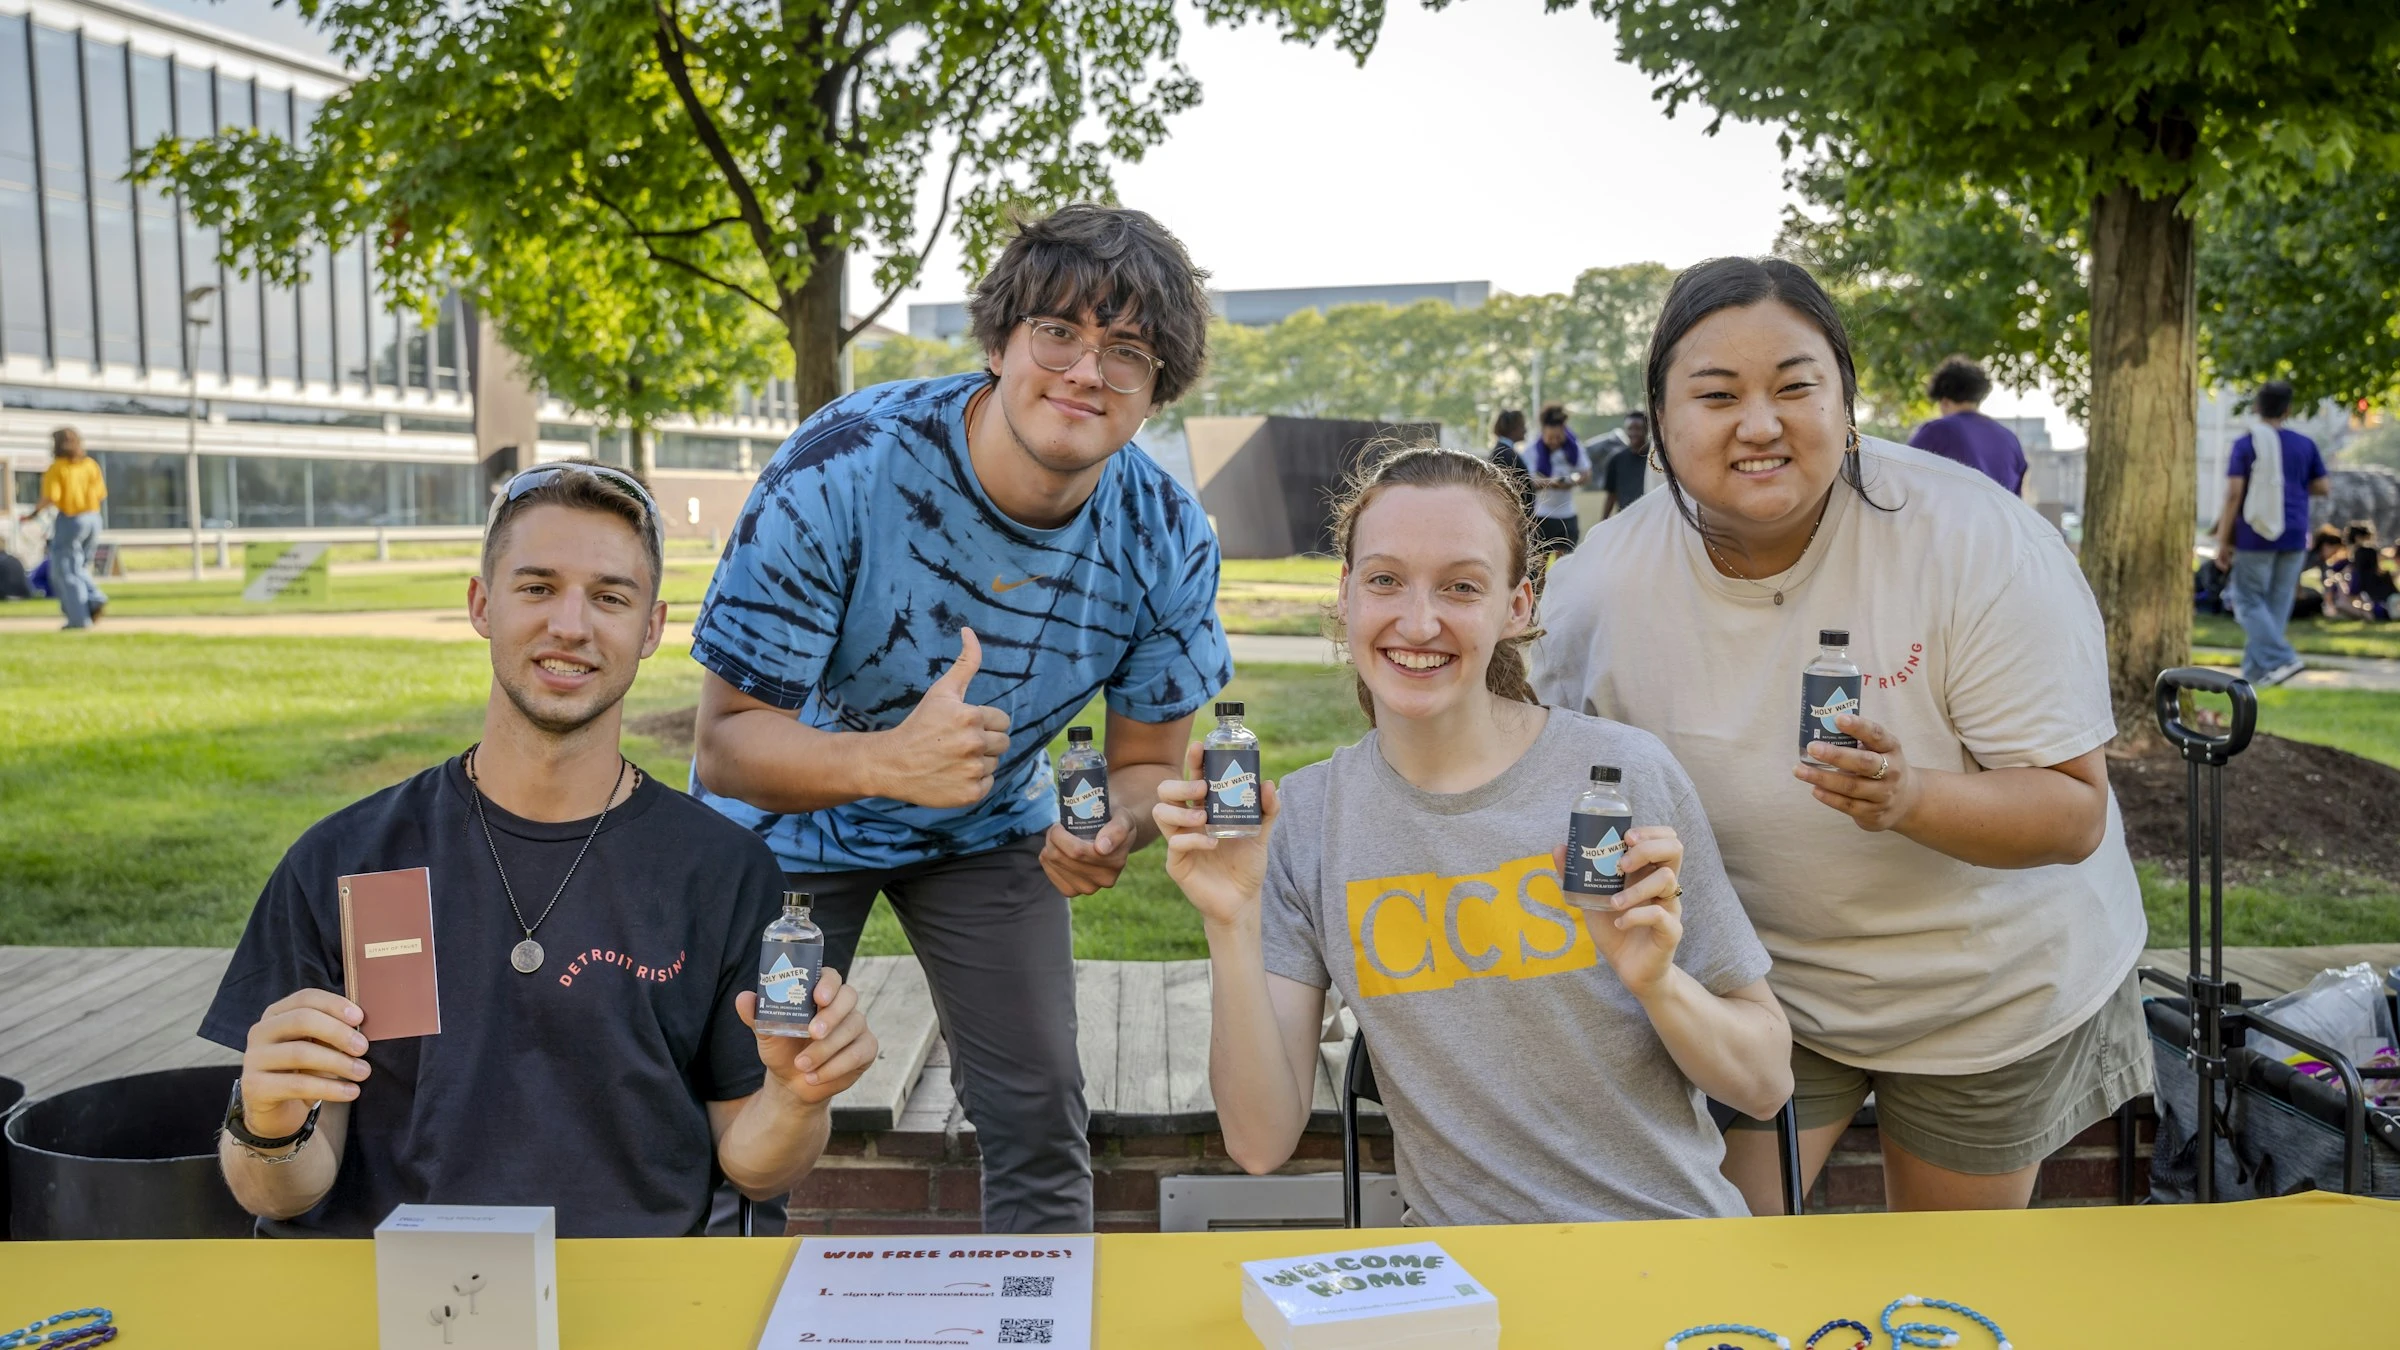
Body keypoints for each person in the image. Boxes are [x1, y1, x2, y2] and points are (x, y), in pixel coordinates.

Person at [1535, 257, 2151, 1215]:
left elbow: (2072, 811)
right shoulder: (1600, 587)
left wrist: (1912, 799)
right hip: (1766, 985)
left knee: (1939, 1300)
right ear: (1659, 423)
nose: (1760, 423)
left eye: (1794, 387)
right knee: (1725, 1265)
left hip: (1989, 989)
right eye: (1716, 394)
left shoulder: (1975, 543)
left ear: (1848, 403)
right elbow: (1523, 761)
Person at [686, 204, 1232, 1234]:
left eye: (1127, 353)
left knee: (1036, 1113)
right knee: (747, 1105)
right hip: (785, 828)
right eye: (1059, 333)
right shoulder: (842, 466)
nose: (1085, 372)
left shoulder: (1166, 534)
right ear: (999, 341)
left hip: (986, 827)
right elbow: (727, 743)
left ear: (1158, 389)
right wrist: (889, 761)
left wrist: (1113, 822)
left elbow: (1148, 760)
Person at [201, 462, 877, 1237]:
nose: (571, 625)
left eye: (610, 597)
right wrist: (267, 1120)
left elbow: (756, 1165)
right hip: (401, 1298)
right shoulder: (348, 860)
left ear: (651, 629)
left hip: (634, 1294)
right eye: (537, 587)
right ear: (481, 605)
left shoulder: (721, 873)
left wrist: (796, 1099)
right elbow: (278, 1191)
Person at [1155, 445, 1790, 1225]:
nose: (1418, 621)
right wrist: (1230, 919)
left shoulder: (1619, 777)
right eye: (1385, 579)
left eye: (1461, 586)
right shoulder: (1308, 822)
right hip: (1459, 1284)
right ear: (1346, 594)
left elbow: (1765, 1084)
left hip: (1662, 1252)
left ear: (1517, 607)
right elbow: (1260, 1143)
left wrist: (1658, 983)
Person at [2213, 379, 2330, 686]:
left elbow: (2233, 495)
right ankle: (2256, 675)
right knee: (2277, 604)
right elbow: (2323, 486)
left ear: (2256, 406)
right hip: (2293, 531)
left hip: (2255, 533)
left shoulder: (2246, 443)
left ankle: (2282, 658)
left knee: (2247, 600)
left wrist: (2223, 540)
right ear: (2288, 409)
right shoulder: (2304, 445)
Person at [16, 427, 108, 629]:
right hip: (94, 518)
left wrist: (32, 515)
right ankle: (94, 598)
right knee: (79, 566)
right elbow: (101, 494)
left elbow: (51, 497)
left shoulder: (57, 468)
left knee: (64, 570)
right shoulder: (90, 465)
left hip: (72, 519)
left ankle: (80, 618)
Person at [1905, 357, 2027, 496]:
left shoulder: (1936, 431)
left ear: (1944, 401)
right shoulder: (2010, 439)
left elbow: (1903, 479)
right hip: (2002, 517)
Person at [1527, 403, 1589, 553]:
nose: (1554, 441)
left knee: (1564, 561)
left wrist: (1572, 482)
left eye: (1558, 437)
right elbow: (1527, 481)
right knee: (1541, 564)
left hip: (1567, 514)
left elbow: (1586, 474)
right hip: (1543, 515)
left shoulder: (1573, 448)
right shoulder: (1532, 450)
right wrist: (1550, 483)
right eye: (1550, 438)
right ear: (1542, 432)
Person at [1593, 411, 1653, 520]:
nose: (1633, 433)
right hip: (1626, 519)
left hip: (1651, 517)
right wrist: (1603, 522)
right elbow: (1611, 495)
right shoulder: (1616, 459)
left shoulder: (1655, 458)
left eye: (1638, 428)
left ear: (1647, 429)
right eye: (1630, 429)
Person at [1489, 408, 1535, 519]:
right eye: (1522, 426)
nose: (1525, 430)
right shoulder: (1506, 454)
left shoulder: (1504, 451)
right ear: (1513, 428)